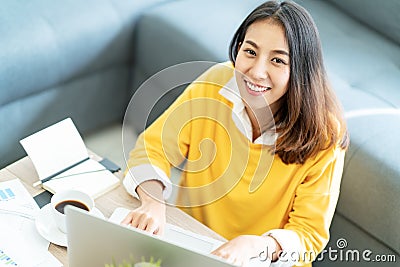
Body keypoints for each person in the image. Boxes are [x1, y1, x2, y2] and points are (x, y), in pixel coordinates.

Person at [121, 1, 349, 266]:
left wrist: (258, 245)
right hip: (188, 241)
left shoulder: (324, 135)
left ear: (301, 70)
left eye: (277, 60)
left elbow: (308, 236)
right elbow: (152, 148)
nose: (257, 71)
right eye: (250, 51)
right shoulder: (216, 82)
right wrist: (152, 203)